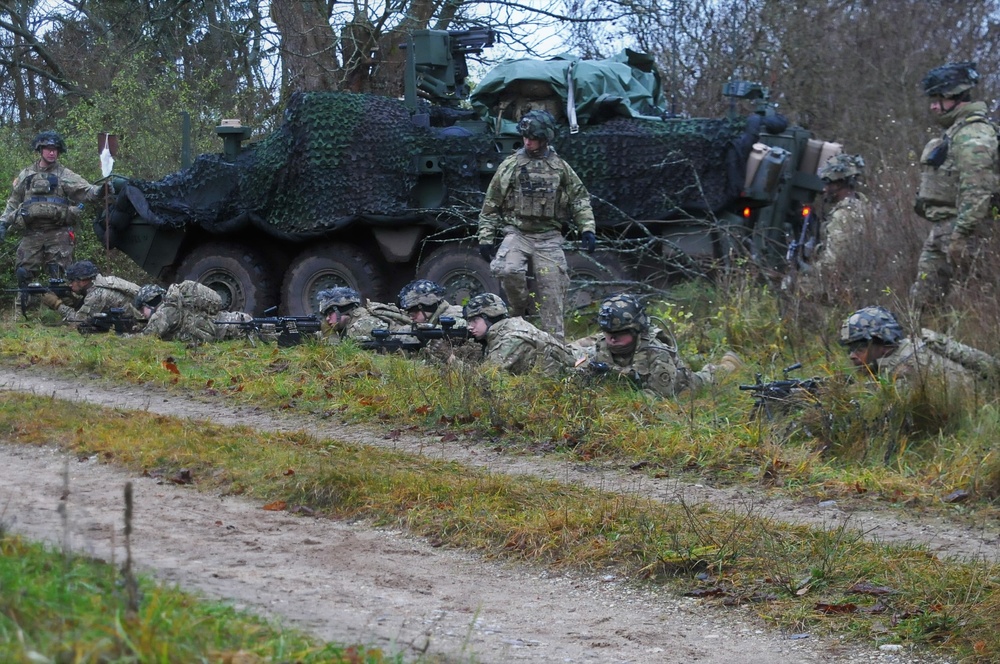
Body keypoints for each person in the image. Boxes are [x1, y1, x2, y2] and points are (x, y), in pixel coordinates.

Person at [477, 109, 597, 341]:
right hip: (518, 233)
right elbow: (491, 204)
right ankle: (520, 309)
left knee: (552, 292)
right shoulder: (511, 165)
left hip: (549, 238)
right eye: (525, 137)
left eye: (533, 138)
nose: (528, 141)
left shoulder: (560, 168)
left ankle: (555, 347)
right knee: (507, 268)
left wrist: (588, 228)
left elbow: (580, 199)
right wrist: (485, 237)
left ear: (545, 138)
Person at [911, 61, 999, 310]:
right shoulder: (957, 132)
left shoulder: (973, 135)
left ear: (955, 97)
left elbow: (978, 190)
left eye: (938, 98)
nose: (933, 106)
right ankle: (923, 347)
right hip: (945, 230)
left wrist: (961, 234)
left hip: (966, 233)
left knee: (980, 303)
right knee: (923, 302)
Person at [579, 294, 742, 399]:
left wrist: (617, 403)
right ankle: (696, 358)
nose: (612, 339)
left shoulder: (656, 352)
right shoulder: (601, 345)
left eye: (620, 334)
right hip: (632, 385)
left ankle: (729, 365)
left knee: (705, 378)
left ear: (636, 330)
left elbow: (657, 396)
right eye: (608, 333)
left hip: (677, 384)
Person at [0, 132, 106, 290]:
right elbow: (14, 202)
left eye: (55, 149)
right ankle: (25, 309)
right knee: (23, 273)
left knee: (59, 277)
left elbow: (87, 191)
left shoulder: (64, 174)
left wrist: (100, 190)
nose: (52, 152)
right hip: (32, 232)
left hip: (58, 232)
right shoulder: (26, 175)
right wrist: (3, 223)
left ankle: (61, 310)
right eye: (48, 149)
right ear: (40, 149)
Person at [840, 305, 999, 387]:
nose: (852, 355)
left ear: (883, 343)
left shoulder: (902, 369)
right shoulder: (916, 345)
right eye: (849, 349)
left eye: (859, 347)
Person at [796, 154, 874, 302]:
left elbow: (834, 263)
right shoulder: (864, 205)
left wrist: (806, 269)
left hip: (845, 286)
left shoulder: (844, 215)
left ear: (838, 184)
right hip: (863, 281)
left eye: (827, 183)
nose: (824, 189)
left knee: (797, 286)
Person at [462, 292, 576, 377]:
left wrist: (451, 359)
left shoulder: (510, 340)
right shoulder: (510, 325)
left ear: (489, 317)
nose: (470, 326)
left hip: (573, 374)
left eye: (475, 320)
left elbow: (484, 377)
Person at [40, 259, 141, 326]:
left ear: (83, 281)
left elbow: (78, 321)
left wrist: (57, 304)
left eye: (72, 281)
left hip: (138, 323)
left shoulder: (97, 294)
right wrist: (74, 302)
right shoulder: (105, 280)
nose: (70, 285)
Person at [140, 280, 225, 343]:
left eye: (142, 309)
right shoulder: (174, 301)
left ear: (149, 304)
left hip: (225, 330)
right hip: (225, 320)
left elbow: (145, 338)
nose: (142, 314)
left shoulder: (164, 313)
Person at [318, 286, 410, 343]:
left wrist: (329, 333)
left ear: (342, 311)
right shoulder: (354, 320)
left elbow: (343, 357)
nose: (327, 319)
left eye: (330, 313)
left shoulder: (360, 326)